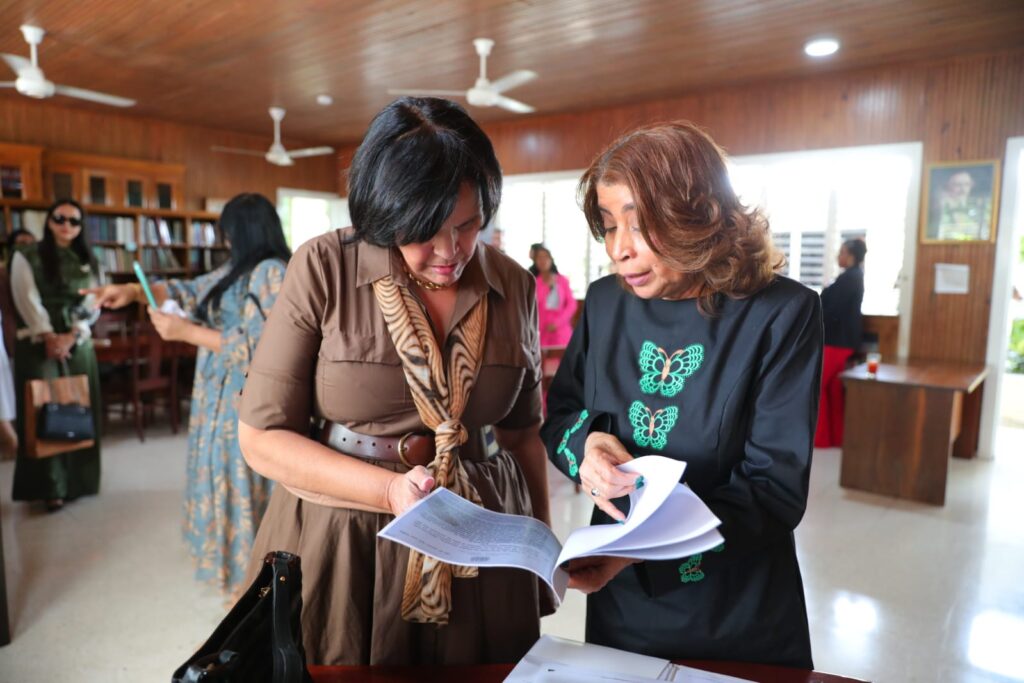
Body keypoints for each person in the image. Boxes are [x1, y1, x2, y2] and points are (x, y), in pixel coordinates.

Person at [236, 97, 551, 666]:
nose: (449, 252)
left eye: (468, 225)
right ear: (383, 213)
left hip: (482, 534)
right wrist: (387, 492)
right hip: (345, 530)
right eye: (425, 231)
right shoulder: (324, 266)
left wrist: (544, 557)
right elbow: (261, 437)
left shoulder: (514, 285)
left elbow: (523, 435)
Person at [542, 121, 822, 669]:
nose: (619, 249)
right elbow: (562, 416)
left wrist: (635, 552)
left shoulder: (780, 313)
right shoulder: (604, 303)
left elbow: (774, 490)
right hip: (621, 600)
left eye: (640, 224)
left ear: (698, 215)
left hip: (735, 605)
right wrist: (589, 448)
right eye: (608, 226)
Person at [86, 193, 290, 596]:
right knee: (215, 470)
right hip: (215, 390)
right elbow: (187, 289)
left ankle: (253, 580)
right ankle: (230, 569)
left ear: (239, 231)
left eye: (226, 232)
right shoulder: (235, 267)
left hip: (244, 392)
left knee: (238, 475)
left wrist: (187, 333)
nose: (224, 241)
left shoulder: (273, 271)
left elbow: (265, 346)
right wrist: (133, 291)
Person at [11, 200, 102, 511]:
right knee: (43, 410)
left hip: (77, 340)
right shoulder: (26, 255)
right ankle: (51, 486)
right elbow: (25, 297)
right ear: (49, 221)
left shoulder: (89, 258)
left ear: (81, 227)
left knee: (80, 406)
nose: (66, 225)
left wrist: (72, 334)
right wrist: (49, 335)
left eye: (74, 221)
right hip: (38, 340)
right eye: (60, 218)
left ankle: (80, 480)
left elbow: (94, 301)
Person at [816, 238, 866, 448]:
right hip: (843, 341)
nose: (839, 255)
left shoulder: (849, 278)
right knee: (833, 390)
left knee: (817, 388)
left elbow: (831, 310)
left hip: (836, 341)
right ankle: (836, 437)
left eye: (842, 252)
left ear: (851, 256)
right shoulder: (852, 276)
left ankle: (820, 439)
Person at [533, 244, 577, 347]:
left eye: (545, 257)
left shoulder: (562, 280)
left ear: (551, 259)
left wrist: (557, 323)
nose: (542, 260)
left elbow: (572, 305)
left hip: (562, 333)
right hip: (541, 334)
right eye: (539, 258)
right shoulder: (533, 283)